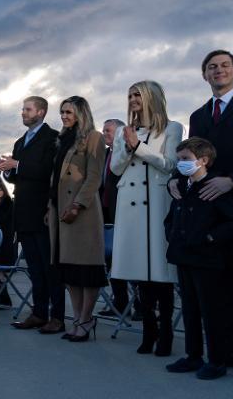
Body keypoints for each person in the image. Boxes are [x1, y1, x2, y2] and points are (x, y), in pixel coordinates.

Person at [169, 50, 233, 378]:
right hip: (213, 219)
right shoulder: (199, 116)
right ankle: (228, 352)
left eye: (225, 65)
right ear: (204, 75)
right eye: (212, 67)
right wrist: (174, 180)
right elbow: (196, 158)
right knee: (220, 295)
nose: (218, 70)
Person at [110, 81, 183, 356]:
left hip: (156, 202)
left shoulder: (172, 128)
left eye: (137, 94)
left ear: (151, 97)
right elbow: (116, 168)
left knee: (160, 273)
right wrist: (128, 146)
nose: (132, 99)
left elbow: (170, 164)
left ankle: (165, 333)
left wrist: (138, 146)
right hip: (130, 205)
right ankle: (148, 330)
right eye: (129, 95)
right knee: (140, 272)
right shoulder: (122, 131)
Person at [164, 137, 233, 379]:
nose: (181, 164)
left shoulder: (213, 188)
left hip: (208, 260)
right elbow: (171, 218)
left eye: (186, 159)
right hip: (184, 256)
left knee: (211, 312)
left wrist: (210, 238)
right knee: (189, 309)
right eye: (179, 160)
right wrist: (171, 235)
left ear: (203, 160)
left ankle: (217, 360)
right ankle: (193, 355)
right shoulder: (182, 186)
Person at [0, 96, 65, 334]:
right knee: (35, 267)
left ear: (41, 112)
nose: (23, 113)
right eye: (22, 109)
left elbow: (48, 171)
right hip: (23, 211)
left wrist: (17, 165)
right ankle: (38, 313)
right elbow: (17, 177)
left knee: (50, 267)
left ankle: (57, 316)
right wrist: (6, 171)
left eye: (28, 109)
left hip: (43, 210)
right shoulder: (20, 141)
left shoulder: (53, 138)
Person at [48, 96, 107, 342]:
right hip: (59, 211)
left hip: (81, 212)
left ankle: (86, 319)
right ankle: (76, 319)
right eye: (62, 112)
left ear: (81, 113)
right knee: (69, 270)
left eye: (69, 112)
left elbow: (94, 176)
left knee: (86, 268)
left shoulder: (94, 138)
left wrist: (77, 204)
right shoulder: (61, 140)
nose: (64, 116)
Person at [98, 118, 131, 319]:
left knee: (129, 257)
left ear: (120, 132)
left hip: (125, 211)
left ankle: (140, 305)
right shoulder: (104, 154)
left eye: (108, 130)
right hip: (106, 210)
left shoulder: (126, 152)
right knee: (112, 259)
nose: (104, 134)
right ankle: (120, 303)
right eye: (103, 130)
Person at [0, 183, 15, 306]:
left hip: (4, 241)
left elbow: (3, 221)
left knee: (0, 270)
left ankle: (3, 297)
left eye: (0, 189)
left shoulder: (8, 204)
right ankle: (1, 296)